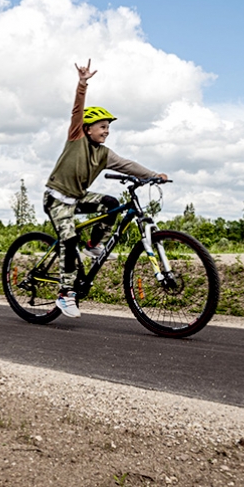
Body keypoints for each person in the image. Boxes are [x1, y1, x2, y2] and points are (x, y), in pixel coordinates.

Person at [44, 59, 168, 318]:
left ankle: (92, 244)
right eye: (102, 127)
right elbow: (76, 111)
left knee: (112, 204)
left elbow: (127, 165)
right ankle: (65, 295)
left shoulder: (104, 154)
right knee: (67, 239)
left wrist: (154, 175)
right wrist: (82, 85)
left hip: (77, 198)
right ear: (88, 129)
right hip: (56, 199)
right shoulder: (76, 138)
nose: (107, 131)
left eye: (109, 128)